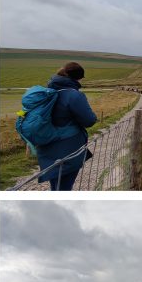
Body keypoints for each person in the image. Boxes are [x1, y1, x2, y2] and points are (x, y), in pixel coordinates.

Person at [36, 62, 97, 191]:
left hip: (47, 145)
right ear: (79, 77)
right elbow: (89, 120)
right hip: (68, 148)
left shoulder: (48, 91)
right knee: (64, 187)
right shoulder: (74, 95)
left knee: (57, 186)